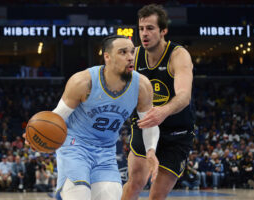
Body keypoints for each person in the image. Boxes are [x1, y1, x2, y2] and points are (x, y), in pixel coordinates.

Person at [23, 35, 159, 200]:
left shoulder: (142, 86)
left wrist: (151, 150)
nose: (130, 57)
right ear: (107, 57)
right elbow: (57, 116)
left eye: (132, 51)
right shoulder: (83, 82)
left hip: (106, 150)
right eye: (123, 52)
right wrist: (36, 135)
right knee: (80, 196)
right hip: (75, 146)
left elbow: (150, 123)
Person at [122, 4, 195, 200]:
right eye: (141, 28)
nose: (144, 33)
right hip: (145, 126)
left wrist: (163, 111)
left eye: (150, 28)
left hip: (176, 133)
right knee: (134, 184)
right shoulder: (133, 56)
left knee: (156, 196)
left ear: (163, 31)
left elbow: (184, 96)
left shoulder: (178, 56)